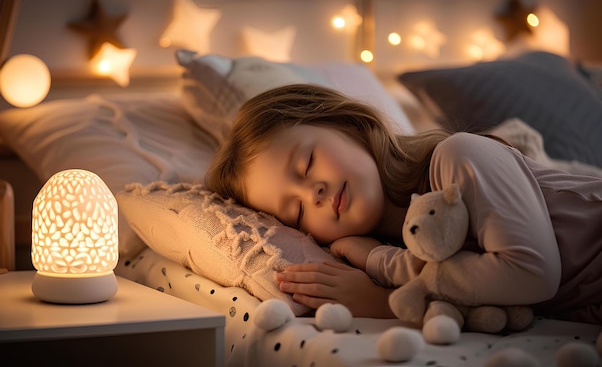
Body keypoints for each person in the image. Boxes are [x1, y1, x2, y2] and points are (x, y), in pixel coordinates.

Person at [205, 83, 602, 324]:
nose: (315, 194)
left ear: (348, 125)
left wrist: (386, 301)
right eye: (296, 211)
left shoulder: (458, 158)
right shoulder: (392, 256)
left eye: (307, 163)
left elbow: (531, 274)